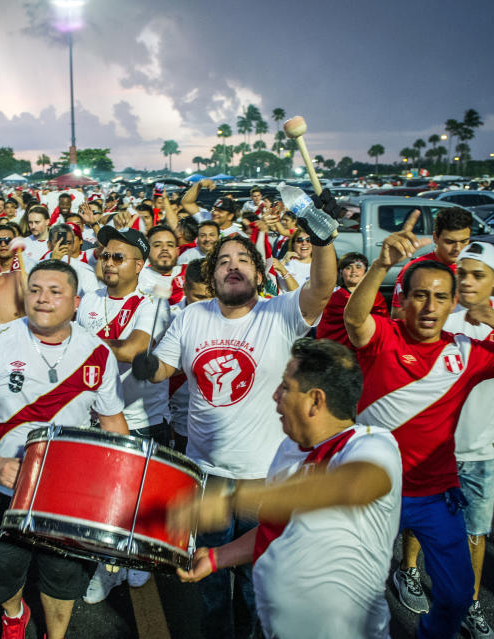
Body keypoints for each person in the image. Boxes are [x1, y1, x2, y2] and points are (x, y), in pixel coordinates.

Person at [343, 210, 494, 639]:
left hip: (437, 495)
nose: (429, 306)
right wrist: (380, 264)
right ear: (402, 301)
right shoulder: (383, 336)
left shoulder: (470, 351)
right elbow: (353, 320)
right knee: (353, 594)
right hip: (373, 489)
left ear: (454, 303)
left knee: (456, 597)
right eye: (419, 296)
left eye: (440, 297)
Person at [134, 219, 337, 638]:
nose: (233, 266)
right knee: (209, 578)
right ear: (211, 277)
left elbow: (322, 288)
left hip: (268, 477)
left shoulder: (279, 312)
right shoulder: (192, 316)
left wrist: (322, 242)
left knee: (256, 580)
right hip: (207, 475)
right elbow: (165, 368)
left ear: (259, 275)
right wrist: (146, 365)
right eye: (223, 261)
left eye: (243, 259)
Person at [0, 260, 130, 639]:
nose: (42, 299)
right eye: (35, 290)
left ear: (76, 302)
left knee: (64, 574)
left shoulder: (97, 353)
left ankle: (55, 635)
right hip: (2, 490)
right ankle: (14, 613)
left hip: (67, 495)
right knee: (1, 569)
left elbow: (112, 420)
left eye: (55, 292)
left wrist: (123, 490)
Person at [171, 338, 402, 639]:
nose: (275, 395)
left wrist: (232, 498)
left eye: (285, 387)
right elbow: (276, 529)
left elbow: (356, 484)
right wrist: (217, 558)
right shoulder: (288, 449)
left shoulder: (372, 445)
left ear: (316, 400)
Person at [397, 242, 494, 638]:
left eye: (477, 275)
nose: (466, 282)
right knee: (418, 527)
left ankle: (471, 604)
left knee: (475, 533)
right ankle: (409, 571)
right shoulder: (438, 315)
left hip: (481, 452)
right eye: (462, 273)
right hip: (430, 452)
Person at [75, 226, 171, 599]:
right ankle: (107, 566)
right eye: (105, 255)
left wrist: (78, 347)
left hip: (142, 419)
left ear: (138, 264)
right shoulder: (88, 299)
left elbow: (133, 349)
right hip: (96, 417)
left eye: (118, 257)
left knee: (141, 499)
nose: (109, 262)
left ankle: (138, 559)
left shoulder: (151, 305)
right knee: (103, 499)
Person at [391, 207, 472, 316]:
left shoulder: (474, 270)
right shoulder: (415, 269)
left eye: (464, 241)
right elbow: (398, 315)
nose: (458, 248)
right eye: (449, 242)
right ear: (435, 238)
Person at [168, 259, 212, 452]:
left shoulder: (228, 316)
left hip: (213, 422)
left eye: (211, 296)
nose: (207, 304)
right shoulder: (168, 317)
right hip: (178, 420)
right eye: (199, 297)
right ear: (185, 288)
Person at [315, 252, 388, 349]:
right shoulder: (334, 299)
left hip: (368, 348)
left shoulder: (376, 296)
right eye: (348, 268)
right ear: (341, 272)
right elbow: (326, 330)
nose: (353, 271)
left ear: (365, 272)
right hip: (340, 351)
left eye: (358, 267)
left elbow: (383, 323)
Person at [138, 225, 185, 304]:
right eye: (157, 245)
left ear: (177, 252)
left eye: (170, 245)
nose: (164, 248)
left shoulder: (189, 273)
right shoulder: (136, 277)